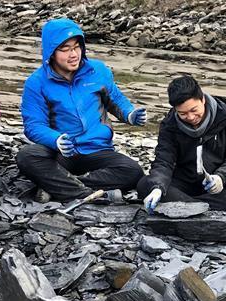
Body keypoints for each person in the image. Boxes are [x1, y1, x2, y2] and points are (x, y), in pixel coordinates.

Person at [17, 18, 146, 203]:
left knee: (133, 171)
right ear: (50, 52)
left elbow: (116, 99)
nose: (73, 54)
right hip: (62, 153)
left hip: (97, 150)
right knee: (26, 156)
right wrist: (56, 140)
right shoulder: (36, 83)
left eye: (77, 47)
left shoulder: (98, 70)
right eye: (65, 49)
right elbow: (33, 125)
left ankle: (60, 186)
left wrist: (130, 114)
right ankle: (87, 193)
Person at [137, 75, 226, 214]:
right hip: (183, 182)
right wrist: (158, 188)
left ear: (203, 100)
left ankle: (187, 207)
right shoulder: (169, 125)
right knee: (145, 185)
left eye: (194, 110)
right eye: (182, 113)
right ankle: (200, 209)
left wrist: (221, 177)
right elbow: (164, 161)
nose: (190, 117)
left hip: (215, 184)